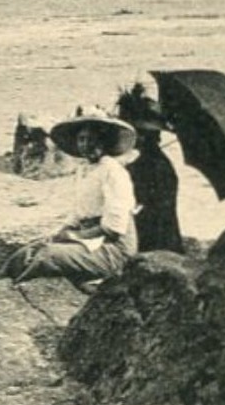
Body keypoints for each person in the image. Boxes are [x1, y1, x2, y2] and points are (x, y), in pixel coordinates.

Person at [11, 113, 139, 293]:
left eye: (93, 140)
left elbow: (113, 228)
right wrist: (60, 234)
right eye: (82, 140)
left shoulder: (114, 171)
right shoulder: (84, 170)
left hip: (113, 249)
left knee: (47, 255)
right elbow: (78, 214)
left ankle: (18, 292)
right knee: (27, 252)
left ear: (104, 142)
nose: (86, 145)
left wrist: (74, 237)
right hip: (90, 239)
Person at [116, 84, 183, 254]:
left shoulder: (152, 166)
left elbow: (143, 212)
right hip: (160, 242)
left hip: (153, 246)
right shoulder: (147, 161)